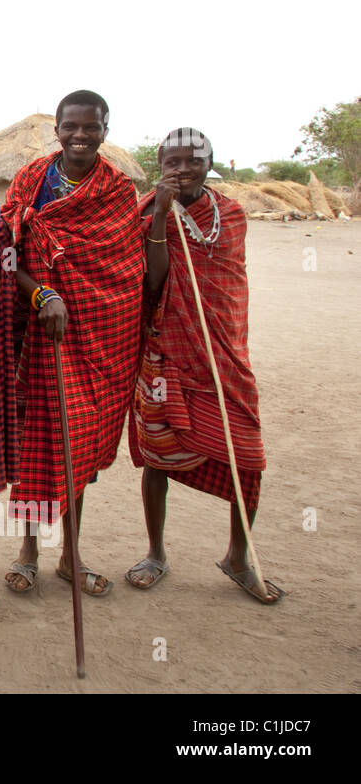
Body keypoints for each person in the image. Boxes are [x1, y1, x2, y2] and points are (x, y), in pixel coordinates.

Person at [0, 90, 142, 597]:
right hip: (40, 331)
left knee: (81, 444)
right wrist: (41, 295)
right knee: (42, 441)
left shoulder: (118, 189)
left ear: (105, 128)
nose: (80, 135)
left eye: (90, 126)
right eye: (70, 126)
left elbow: (126, 268)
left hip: (101, 338)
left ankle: (71, 556)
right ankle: (29, 551)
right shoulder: (32, 180)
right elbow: (7, 255)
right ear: (56, 130)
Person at [126, 128, 282, 602]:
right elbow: (152, 281)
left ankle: (238, 556)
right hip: (167, 351)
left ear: (209, 162)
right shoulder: (147, 211)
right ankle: (155, 552)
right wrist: (158, 217)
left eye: (193, 160)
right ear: (159, 164)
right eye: (172, 161)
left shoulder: (230, 214)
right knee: (157, 457)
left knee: (248, 459)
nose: (183, 168)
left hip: (224, 356)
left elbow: (227, 282)